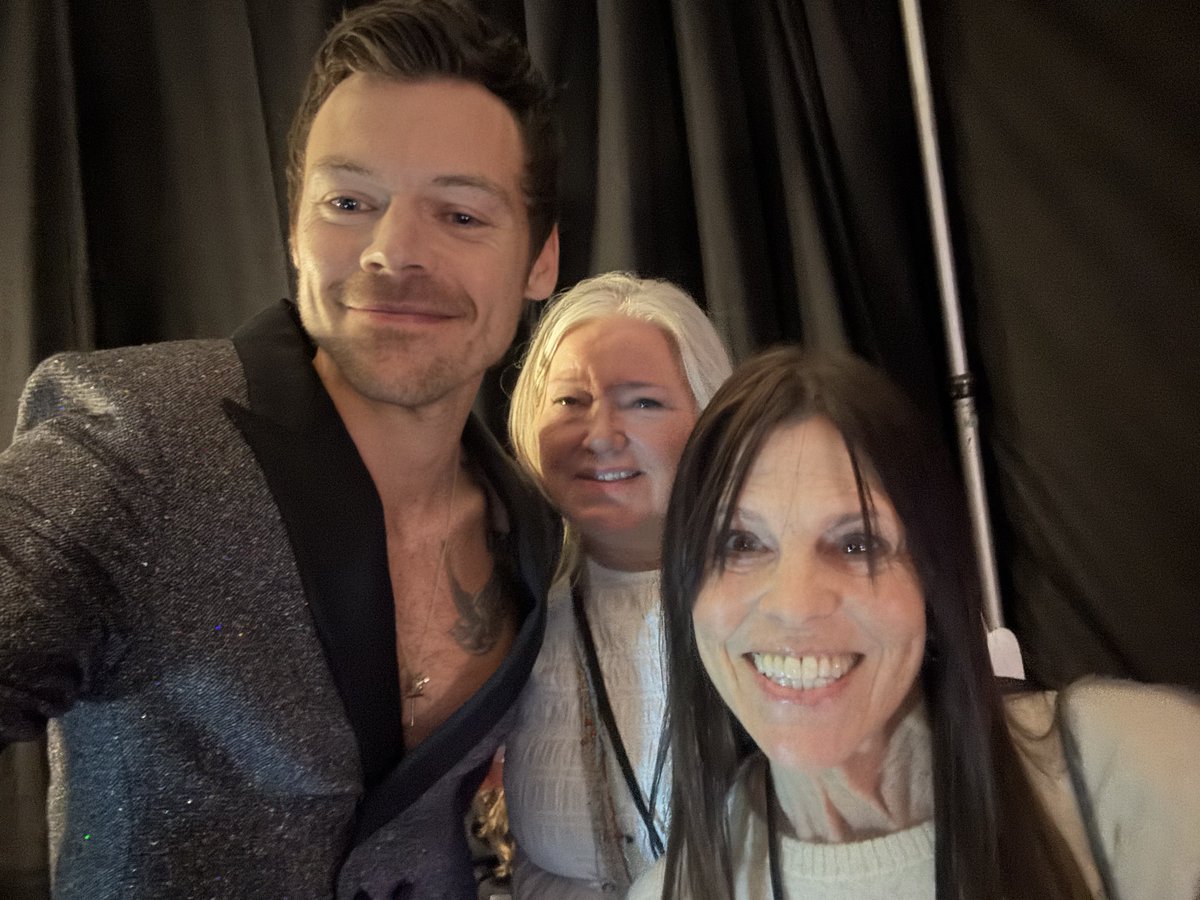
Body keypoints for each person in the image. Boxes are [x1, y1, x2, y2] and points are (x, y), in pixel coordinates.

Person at [0, 1, 563, 897]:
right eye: (349, 202)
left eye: (459, 214)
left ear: (539, 261)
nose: (391, 252)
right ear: (293, 230)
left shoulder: (534, 527)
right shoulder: (138, 440)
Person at [630, 346, 1200, 900]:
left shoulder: (1135, 770)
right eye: (741, 542)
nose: (795, 604)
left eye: (857, 543)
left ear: (933, 578)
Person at [502, 272, 733, 897]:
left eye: (644, 402)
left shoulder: (777, 607)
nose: (600, 435)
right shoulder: (507, 620)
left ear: (712, 417)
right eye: (570, 401)